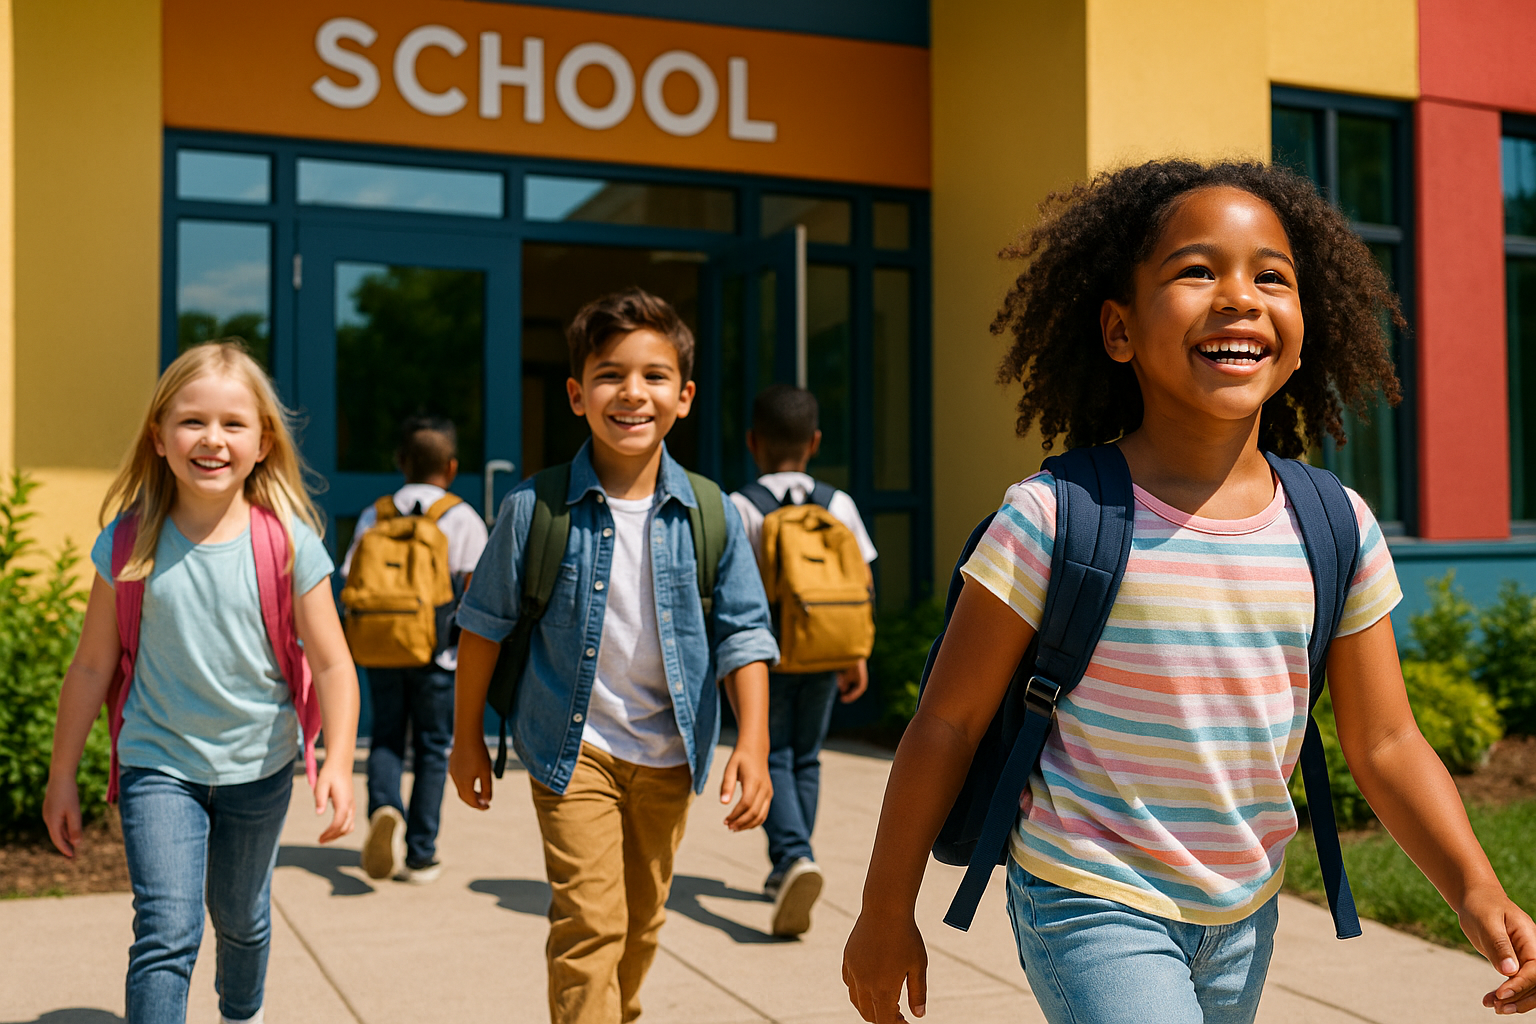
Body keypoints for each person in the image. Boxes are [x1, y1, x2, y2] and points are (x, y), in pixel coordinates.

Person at [842, 160, 1536, 1024]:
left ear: (1300, 334)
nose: (1239, 297)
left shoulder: (1336, 526)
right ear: (1119, 330)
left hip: (1244, 907)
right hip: (1088, 892)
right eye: (1197, 271)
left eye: (1271, 277)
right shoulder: (1052, 516)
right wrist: (883, 911)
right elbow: (947, 723)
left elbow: (1387, 740)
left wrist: (1475, 887)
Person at [449, 288, 779, 1024]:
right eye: (610, 375)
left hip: (669, 754)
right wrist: (466, 735)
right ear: (577, 395)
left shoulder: (712, 512)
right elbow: (483, 626)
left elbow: (744, 634)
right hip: (573, 751)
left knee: (641, 921)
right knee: (589, 924)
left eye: (654, 375)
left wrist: (753, 741)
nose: (632, 392)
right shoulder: (533, 508)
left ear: (684, 397)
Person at [42, 339, 359, 1024]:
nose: (212, 438)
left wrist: (337, 760)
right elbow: (92, 665)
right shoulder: (127, 543)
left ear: (263, 443)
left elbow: (334, 663)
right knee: (166, 931)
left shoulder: (288, 543)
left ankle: (241, 1013)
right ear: (159, 438)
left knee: (242, 919)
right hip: (158, 763)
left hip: (259, 766)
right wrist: (62, 774)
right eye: (192, 421)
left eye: (232, 424)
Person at [729, 384, 877, 935]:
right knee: (806, 756)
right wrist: (856, 652)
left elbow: (733, 590)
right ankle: (790, 862)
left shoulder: (741, 506)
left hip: (766, 657)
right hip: (825, 650)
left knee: (770, 753)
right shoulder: (838, 504)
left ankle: (793, 857)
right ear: (814, 442)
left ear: (753, 442)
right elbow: (862, 581)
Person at [342, 415, 488, 884]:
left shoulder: (375, 514)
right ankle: (421, 853)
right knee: (431, 747)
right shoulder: (462, 517)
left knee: (386, 736)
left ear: (400, 461)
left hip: (382, 648)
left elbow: (350, 578)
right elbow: (477, 593)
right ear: (452, 466)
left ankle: (385, 806)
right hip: (436, 655)